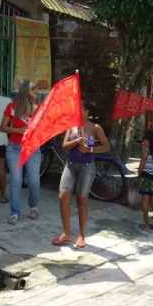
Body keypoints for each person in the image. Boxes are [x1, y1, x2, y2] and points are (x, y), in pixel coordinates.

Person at [52, 101, 110, 249]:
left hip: (87, 167)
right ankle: (66, 233)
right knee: (63, 196)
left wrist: (90, 150)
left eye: (80, 110)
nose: (77, 113)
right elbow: (64, 146)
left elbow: (106, 146)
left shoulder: (95, 128)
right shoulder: (72, 127)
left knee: (81, 199)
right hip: (70, 165)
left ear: (87, 111)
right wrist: (76, 141)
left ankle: (82, 235)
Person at [0, 81, 42, 225]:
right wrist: (18, 130)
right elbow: (3, 127)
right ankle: (14, 212)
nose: (37, 91)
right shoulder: (12, 107)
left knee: (34, 181)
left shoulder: (39, 109)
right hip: (14, 148)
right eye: (33, 89)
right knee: (16, 181)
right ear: (25, 92)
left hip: (33, 149)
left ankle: (33, 206)